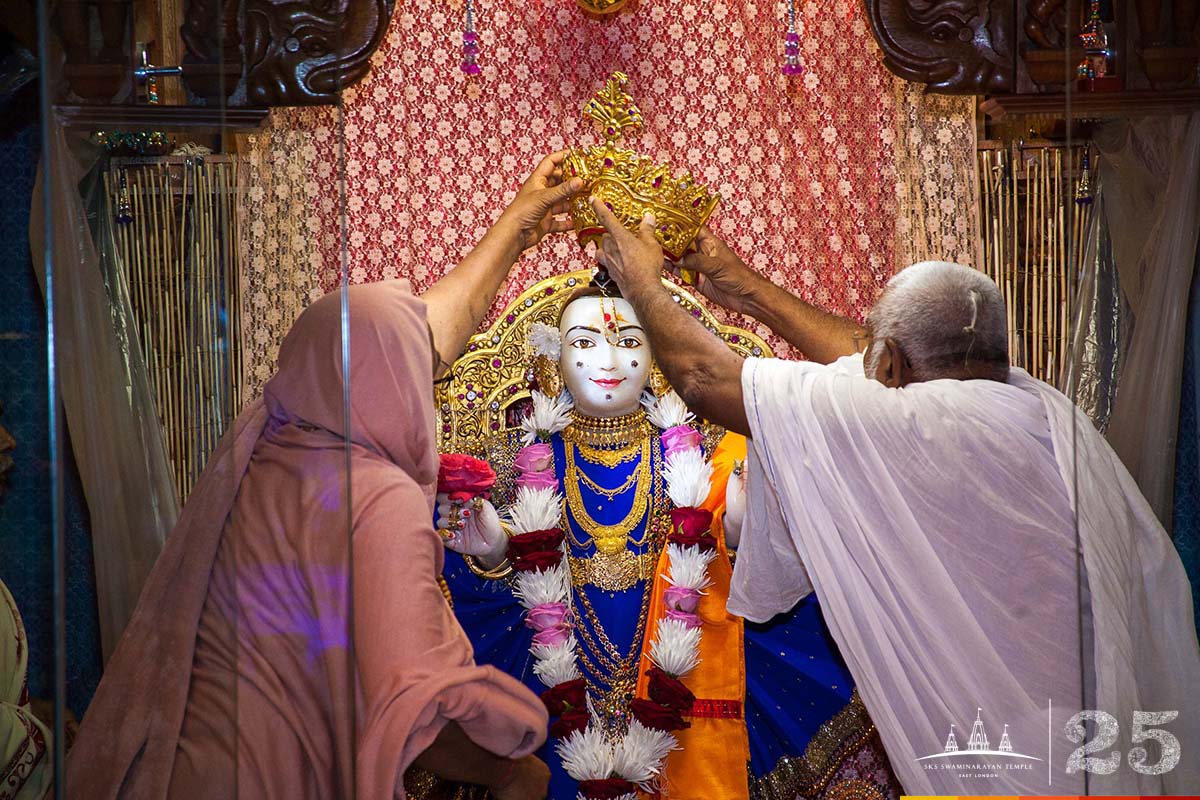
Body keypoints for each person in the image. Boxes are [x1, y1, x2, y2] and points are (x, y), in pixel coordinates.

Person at [589, 199, 1200, 795]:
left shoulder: (909, 427)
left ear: (892, 363)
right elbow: (872, 359)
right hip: (1101, 741)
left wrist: (640, 282)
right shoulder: (1037, 406)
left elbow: (703, 377)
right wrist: (747, 289)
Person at [65, 154, 584, 799]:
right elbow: (414, 701)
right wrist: (515, 763)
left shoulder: (271, 446)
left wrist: (517, 226)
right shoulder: (377, 494)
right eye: (417, 369)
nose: (427, 380)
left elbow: (404, 341)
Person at [436, 278, 899, 799]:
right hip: (560, 689)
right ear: (553, 362)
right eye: (584, 343)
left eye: (629, 342)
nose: (608, 359)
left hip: (681, 682)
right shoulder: (528, 465)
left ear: (657, 359)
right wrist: (498, 552)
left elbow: (734, 563)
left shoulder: (695, 461)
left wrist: (744, 529)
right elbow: (514, 594)